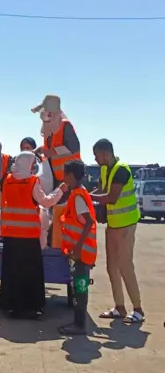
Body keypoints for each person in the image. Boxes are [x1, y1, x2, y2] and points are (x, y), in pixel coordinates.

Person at [0, 152, 65, 318]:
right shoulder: (32, 181)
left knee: (12, 272)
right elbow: (46, 202)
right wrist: (60, 190)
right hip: (28, 238)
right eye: (33, 163)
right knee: (31, 273)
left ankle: (11, 305)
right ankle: (32, 306)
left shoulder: (7, 180)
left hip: (10, 236)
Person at [90, 139, 144, 324]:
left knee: (125, 266)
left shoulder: (121, 169)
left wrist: (87, 197)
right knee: (111, 266)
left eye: (96, 155)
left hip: (126, 225)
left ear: (106, 154)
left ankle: (138, 309)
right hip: (113, 225)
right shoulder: (105, 169)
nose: (95, 159)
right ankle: (119, 307)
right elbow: (102, 189)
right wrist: (88, 192)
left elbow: (111, 197)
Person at [58, 159, 98, 335]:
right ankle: (78, 322)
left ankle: (79, 324)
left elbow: (88, 221)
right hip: (80, 252)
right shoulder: (77, 193)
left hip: (81, 253)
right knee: (79, 287)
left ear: (72, 175)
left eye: (65, 174)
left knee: (80, 288)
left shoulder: (78, 196)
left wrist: (78, 247)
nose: (63, 177)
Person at [31, 95, 81, 188]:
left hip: (70, 179)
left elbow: (73, 147)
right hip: (56, 177)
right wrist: (40, 150)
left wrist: (52, 152)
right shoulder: (50, 128)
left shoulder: (65, 125)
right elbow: (53, 146)